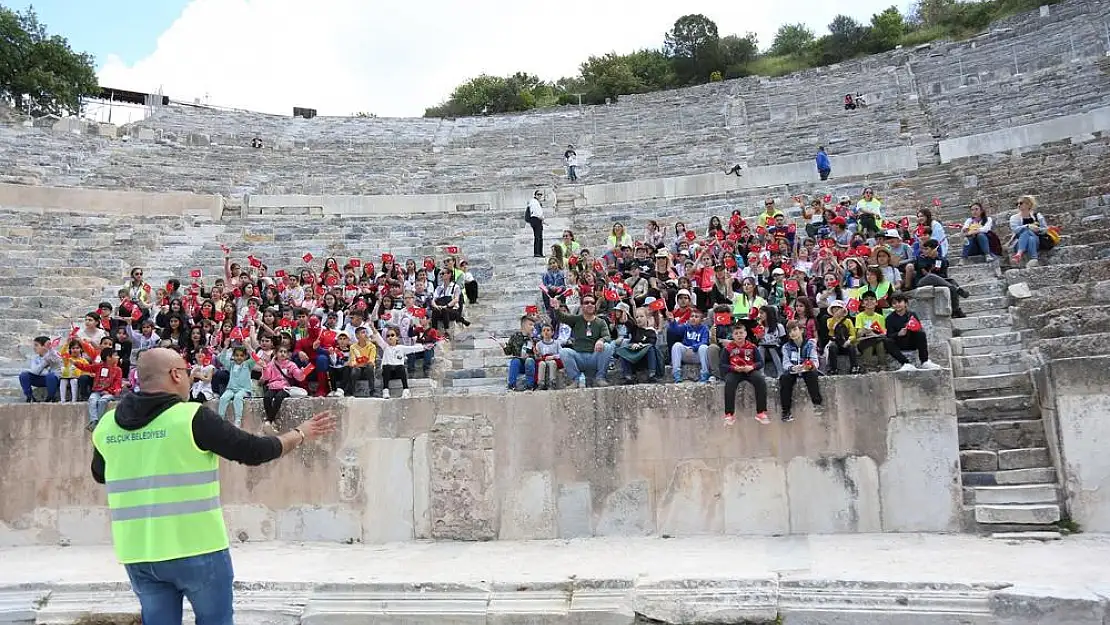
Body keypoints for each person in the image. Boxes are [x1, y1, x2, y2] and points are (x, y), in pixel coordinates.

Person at [90, 347, 337, 625]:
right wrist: (300, 433)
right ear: (175, 375)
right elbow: (253, 450)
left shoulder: (107, 425)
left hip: (139, 554)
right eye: (186, 372)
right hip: (197, 549)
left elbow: (101, 475)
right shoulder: (191, 417)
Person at [554, 294, 614, 388]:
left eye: (592, 303)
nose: (590, 304)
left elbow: (607, 336)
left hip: (594, 356)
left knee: (608, 346)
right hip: (579, 357)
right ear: (582, 306)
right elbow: (561, 317)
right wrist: (556, 308)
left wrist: (601, 340)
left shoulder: (601, 322)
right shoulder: (576, 319)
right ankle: (576, 380)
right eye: (586, 303)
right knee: (564, 351)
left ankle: (600, 378)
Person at [904, 239, 968, 318]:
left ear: (934, 249)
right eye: (923, 249)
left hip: (937, 283)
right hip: (922, 282)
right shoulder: (921, 258)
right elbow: (925, 274)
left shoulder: (942, 260)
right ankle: (957, 290)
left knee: (951, 281)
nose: (924, 251)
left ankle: (955, 310)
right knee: (931, 276)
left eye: (926, 249)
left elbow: (944, 276)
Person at [721, 324, 769, 425]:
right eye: (736, 333)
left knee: (760, 380)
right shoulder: (728, 348)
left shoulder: (752, 347)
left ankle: (761, 412)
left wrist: (752, 367)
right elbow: (722, 365)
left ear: (746, 334)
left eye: (741, 333)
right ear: (732, 336)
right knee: (729, 382)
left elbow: (760, 362)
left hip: (749, 370)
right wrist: (733, 368)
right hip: (734, 371)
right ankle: (729, 414)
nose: (739, 335)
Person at [779, 321, 823, 423]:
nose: (792, 333)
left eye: (795, 330)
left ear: (801, 330)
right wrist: (792, 368)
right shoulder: (786, 347)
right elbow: (785, 363)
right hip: (794, 370)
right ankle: (786, 412)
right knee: (784, 378)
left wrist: (808, 366)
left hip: (807, 369)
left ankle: (817, 404)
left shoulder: (810, 343)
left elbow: (815, 360)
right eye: (790, 331)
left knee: (812, 374)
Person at [886, 293, 943, 370]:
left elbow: (919, 328)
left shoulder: (912, 314)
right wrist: (898, 334)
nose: (897, 305)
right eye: (894, 303)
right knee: (887, 341)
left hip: (911, 341)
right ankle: (905, 363)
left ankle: (925, 361)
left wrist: (912, 328)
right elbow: (889, 335)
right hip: (899, 343)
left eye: (899, 302)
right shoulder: (889, 318)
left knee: (921, 334)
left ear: (905, 303)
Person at [667, 308, 712, 383]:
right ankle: (676, 374)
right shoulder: (686, 326)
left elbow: (704, 341)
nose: (693, 318)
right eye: (692, 316)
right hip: (687, 352)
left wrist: (695, 347)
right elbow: (676, 331)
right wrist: (673, 322)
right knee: (677, 345)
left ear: (701, 320)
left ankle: (704, 374)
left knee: (704, 347)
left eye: (696, 317)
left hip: (697, 354)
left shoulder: (705, 329)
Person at [216, 346, 255, 428]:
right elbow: (221, 358)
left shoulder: (247, 364)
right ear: (233, 356)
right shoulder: (231, 365)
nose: (239, 357)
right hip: (231, 389)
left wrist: (247, 346)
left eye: (241, 355)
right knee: (223, 398)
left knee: (238, 397)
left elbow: (255, 357)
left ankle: (238, 420)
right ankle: (220, 419)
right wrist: (225, 347)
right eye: (236, 355)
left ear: (245, 356)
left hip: (244, 390)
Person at [1009, 195, 1050, 268]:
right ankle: (1034, 259)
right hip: (1019, 242)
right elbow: (1015, 229)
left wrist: (1037, 229)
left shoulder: (1037, 216)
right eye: (1017, 204)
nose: (1018, 205)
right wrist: (1027, 226)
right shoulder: (1014, 218)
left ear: (1028, 204)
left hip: (1037, 240)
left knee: (1030, 234)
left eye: (1021, 203)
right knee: (1029, 236)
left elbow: (1045, 229)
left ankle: (1019, 254)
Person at [19, 336, 62, 402]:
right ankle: (30, 397)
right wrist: (45, 362)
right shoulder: (35, 358)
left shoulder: (54, 353)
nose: (34, 348)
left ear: (44, 346)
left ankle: (51, 397)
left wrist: (50, 349)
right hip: (41, 379)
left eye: (36, 345)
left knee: (50, 376)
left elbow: (55, 359)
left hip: (54, 380)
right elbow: (35, 371)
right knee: (24, 375)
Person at [504, 315, 537, 392]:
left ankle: (530, 386)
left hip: (531, 365)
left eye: (533, 325)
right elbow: (508, 352)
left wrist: (532, 355)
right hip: (520, 364)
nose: (533, 327)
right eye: (530, 325)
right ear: (524, 325)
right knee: (515, 361)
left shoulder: (534, 338)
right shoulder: (515, 336)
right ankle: (511, 385)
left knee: (529, 360)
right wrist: (504, 347)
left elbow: (538, 355)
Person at [527, 190, 545, 258]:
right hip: (536, 219)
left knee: (539, 237)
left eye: (541, 194)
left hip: (538, 220)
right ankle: (537, 253)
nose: (540, 196)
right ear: (535, 195)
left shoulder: (536, 202)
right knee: (538, 237)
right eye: (538, 194)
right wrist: (541, 217)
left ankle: (540, 252)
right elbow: (536, 211)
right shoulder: (533, 202)